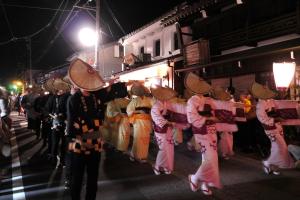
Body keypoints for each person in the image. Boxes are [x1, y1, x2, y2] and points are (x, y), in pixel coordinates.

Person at [66, 59, 104, 200]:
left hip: (96, 141)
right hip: (78, 141)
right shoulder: (74, 98)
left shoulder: (96, 98)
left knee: (93, 176)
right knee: (78, 175)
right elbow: (71, 122)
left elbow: (100, 117)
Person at [185, 72, 221, 195]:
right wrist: (208, 118)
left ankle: (205, 183)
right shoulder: (192, 101)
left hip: (211, 131)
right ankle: (194, 178)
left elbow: (216, 112)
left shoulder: (208, 100)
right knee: (211, 158)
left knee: (209, 158)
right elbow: (192, 118)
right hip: (201, 130)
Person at [250, 82, 294, 175]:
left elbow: (280, 107)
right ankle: (268, 162)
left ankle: (274, 166)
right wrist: (276, 119)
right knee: (279, 147)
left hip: (277, 126)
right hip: (270, 128)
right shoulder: (260, 105)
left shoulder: (271, 101)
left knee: (277, 147)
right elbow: (262, 118)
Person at [151, 85, 177, 175]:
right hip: (160, 129)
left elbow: (174, 112)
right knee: (163, 148)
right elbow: (157, 119)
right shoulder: (155, 106)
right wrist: (169, 122)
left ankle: (166, 166)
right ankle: (157, 165)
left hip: (168, 127)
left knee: (169, 148)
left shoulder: (167, 104)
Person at [126, 82, 153, 163]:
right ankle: (136, 155)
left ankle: (140, 156)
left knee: (145, 139)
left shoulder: (149, 100)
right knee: (138, 138)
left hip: (147, 121)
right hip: (138, 121)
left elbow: (154, 107)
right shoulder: (135, 100)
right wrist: (139, 110)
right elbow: (129, 110)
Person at [212, 87, 238, 160]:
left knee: (224, 138)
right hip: (227, 122)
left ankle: (223, 152)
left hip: (221, 122)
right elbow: (234, 112)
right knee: (225, 138)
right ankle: (223, 152)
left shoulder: (215, 102)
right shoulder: (230, 102)